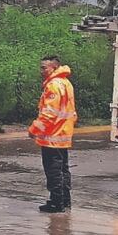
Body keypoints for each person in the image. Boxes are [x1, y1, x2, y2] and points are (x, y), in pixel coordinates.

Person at [28, 55, 77, 213]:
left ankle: (56, 203)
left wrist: (34, 129)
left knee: (54, 171)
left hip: (52, 136)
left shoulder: (53, 86)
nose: (41, 71)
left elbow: (49, 114)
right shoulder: (65, 83)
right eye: (41, 67)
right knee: (63, 169)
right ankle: (64, 201)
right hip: (62, 134)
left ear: (54, 68)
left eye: (44, 68)